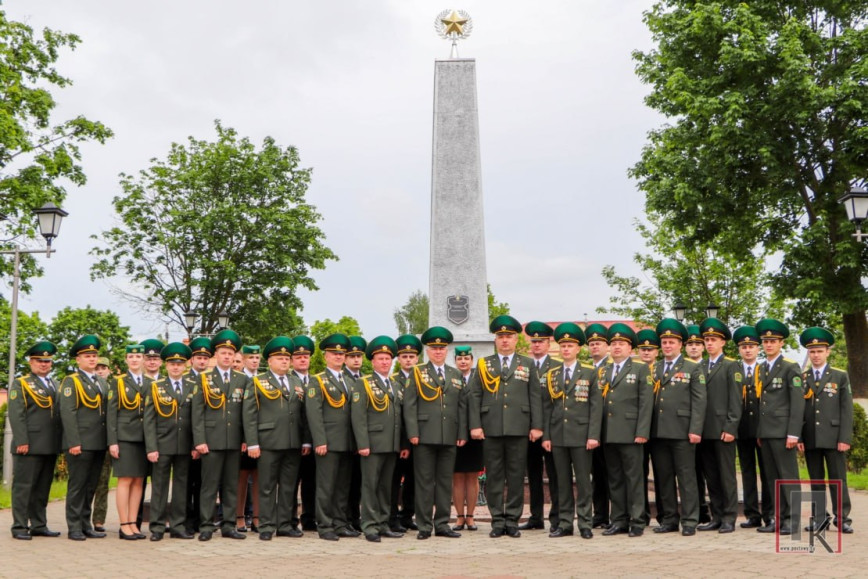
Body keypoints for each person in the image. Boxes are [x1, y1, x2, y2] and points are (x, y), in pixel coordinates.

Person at [468, 315, 543, 538]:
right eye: (501, 337)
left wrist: (536, 426)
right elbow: (474, 395)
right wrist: (475, 425)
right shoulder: (484, 364)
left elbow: (535, 396)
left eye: (509, 336)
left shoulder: (527, 363)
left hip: (519, 428)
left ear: (516, 339)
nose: (505, 340)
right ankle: (497, 521)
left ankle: (512, 520)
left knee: (517, 475)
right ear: (496, 339)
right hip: (490, 428)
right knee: (494, 477)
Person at [242, 336, 310, 541]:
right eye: (279, 358)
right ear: (269, 361)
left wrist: (305, 440)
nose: (284, 362)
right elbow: (249, 414)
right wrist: (252, 442)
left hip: (292, 442)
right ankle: (266, 525)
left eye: (286, 358)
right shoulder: (258, 381)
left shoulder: (296, 381)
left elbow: (304, 415)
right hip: (268, 442)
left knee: (289, 486)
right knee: (267, 485)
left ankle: (284, 524)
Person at [404, 326, 467, 540]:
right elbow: (409, 405)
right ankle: (423, 525)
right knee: (424, 482)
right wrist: (412, 432)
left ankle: (442, 523)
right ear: (428, 351)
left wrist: (462, 433)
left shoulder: (455, 374)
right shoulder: (416, 371)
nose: (438, 352)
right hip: (423, 436)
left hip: (449, 435)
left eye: (442, 348)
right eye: (434, 348)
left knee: (444, 482)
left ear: (447, 350)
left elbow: (461, 406)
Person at [542, 323, 602, 540]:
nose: (566, 349)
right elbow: (547, 407)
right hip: (558, 435)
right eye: (563, 346)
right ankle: (565, 523)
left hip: (582, 435)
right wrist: (547, 436)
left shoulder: (589, 372)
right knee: (562, 481)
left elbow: (596, 407)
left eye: (570, 346)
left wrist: (593, 435)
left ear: (578, 349)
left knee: (584, 482)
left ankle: (585, 522)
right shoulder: (552, 374)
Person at [192, 328, 251, 541]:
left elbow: (247, 412)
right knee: (209, 486)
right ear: (216, 355)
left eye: (230, 354)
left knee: (230, 485)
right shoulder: (204, 378)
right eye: (223, 353)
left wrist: (245, 438)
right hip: (211, 440)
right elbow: (197, 413)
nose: (226, 357)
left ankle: (229, 525)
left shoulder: (242, 379)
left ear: (235, 356)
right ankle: (206, 525)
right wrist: (200, 440)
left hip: (234, 441)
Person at [649, 319, 705, 536]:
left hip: (683, 431)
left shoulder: (693, 367)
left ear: (680, 344)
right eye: (664, 342)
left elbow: (700, 402)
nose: (667, 346)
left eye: (672, 342)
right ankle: (670, 519)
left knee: (686, 477)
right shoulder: (656, 368)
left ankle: (690, 520)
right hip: (659, 431)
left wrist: (695, 429)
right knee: (663, 477)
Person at [798, 327, 853, 534]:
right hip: (811, 437)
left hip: (834, 437)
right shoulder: (802, 378)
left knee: (838, 479)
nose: (816, 355)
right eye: (812, 352)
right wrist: (801, 436)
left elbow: (846, 409)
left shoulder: (839, 376)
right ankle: (820, 518)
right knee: (816, 480)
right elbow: (800, 410)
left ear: (827, 352)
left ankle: (843, 518)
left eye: (820, 351)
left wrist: (845, 437)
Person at [599, 323, 652, 538]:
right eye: (614, 344)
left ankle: (637, 520)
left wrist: (642, 431)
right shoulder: (605, 371)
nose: (617, 347)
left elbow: (646, 403)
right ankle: (618, 519)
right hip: (609, 433)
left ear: (631, 349)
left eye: (622, 344)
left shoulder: (640, 369)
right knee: (615, 478)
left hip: (631, 433)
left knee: (634, 478)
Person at [351, 336, 406, 542]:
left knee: (386, 487)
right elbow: (358, 417)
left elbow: (399, 418)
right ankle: (370, 525)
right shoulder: (363, 383)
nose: (385, 362)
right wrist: (362, 444)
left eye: (387, 359)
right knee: (370, 486)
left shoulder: (395, 385)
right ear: (372, 362)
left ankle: (383, 523)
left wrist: (401, 444)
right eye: (381, 359)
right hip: (372, 445)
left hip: (391, 445)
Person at [306, 333, 358, 541]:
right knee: (326, 485)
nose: (338, 357)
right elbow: (314, 414)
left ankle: (340, 522)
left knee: (342, 485)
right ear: (326, 356)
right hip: (328, 441)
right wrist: (320, 440)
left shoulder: (350, 381)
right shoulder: (317, 380)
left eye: (341, 354)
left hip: (346, 442)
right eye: (334, 353)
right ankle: (325, 525)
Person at [755, 318, 804, 535]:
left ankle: (792, 522)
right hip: (766, 431)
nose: (768, 345)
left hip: (784, 432)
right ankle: (777, 518)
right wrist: (760, 432)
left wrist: (794, 433)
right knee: (772, 477)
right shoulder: (763, 367)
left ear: (781, 343)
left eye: (773, 341)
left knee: (788, 477)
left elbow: (797, 402)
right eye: (765, 341)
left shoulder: (789, 367)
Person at [9, 341, 62, 540]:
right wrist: (22, 440)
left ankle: (39, 524)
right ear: (31, 362)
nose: (44, 364)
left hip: (49, 444)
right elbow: (16, 414)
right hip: (28, 445)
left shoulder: (55, 384)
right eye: (40, 361)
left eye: (47, 361)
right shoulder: (21, 383)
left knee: (42, 488)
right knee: (24, 487)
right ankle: (19, 526)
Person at [143, 342, 197, 541]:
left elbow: (196, 419)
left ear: (185, 366)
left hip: (184, 445)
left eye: (180, 363)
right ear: (166, 365)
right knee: (159, 487)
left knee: (181, 488)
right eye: (172, 363)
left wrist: (194, 445)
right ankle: (157, 528)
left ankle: (177, 525)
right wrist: (151, 447)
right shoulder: (156, 386)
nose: (176, 367)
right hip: (162, 444)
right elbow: (149, 420)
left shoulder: (192, 386)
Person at [59, 334, 109, 541]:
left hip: (98, 442)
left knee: (91, 485)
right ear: (78, 360)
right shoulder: (72, 381)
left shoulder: (101, 382)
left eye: (94, 355)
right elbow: (68, 413)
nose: (91, 359)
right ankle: (74, 526)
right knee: (78, 485)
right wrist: (74, 442)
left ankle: (86, 523)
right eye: (87, 356)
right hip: (80, 442)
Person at [697, 318, 742, 533]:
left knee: (726, 476)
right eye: (706, 340)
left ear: (723, 342)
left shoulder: (731, 365)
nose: (709, 343)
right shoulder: (701, 365)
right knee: (711, 476)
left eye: (713, 339)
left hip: (723, 430)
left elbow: (735, 400)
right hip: (705, 430)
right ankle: (716, 515)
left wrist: (731, 427)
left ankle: (729, 517)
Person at [108, 344, 150, 540]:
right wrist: (112, 441)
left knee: (139, 480)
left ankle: (133, 523)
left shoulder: (150, 383)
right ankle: (124, 524)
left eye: (138, 356)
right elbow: (111, 414)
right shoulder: (118, 382)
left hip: (144, 439)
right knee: (125, 479)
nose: (134, 360)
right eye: (131, 356)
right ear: (126, 360)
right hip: (124, 437)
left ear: (143, 360)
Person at [733, 326, 772, 529]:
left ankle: (769, 514)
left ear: (758, 349)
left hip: (762, 430)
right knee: (747, 472)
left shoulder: (765, 369)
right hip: (741, 429)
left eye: (751, 346)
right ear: (739, 350)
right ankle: (752, 514)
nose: (748, 350)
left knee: (766, 472)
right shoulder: (734, 370)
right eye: (744, 347)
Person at [522, 321, 559, 532]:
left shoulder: (556, 367)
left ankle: (556, 518)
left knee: (555, 476)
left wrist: (547, 430)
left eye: (541, 342)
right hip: (528, 432)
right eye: (534, 342)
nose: (536, 345)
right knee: (533, 476)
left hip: (550, 431)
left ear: (548, 343)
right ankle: (536, 517)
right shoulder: (523, 366)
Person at [389, 334, 422, 532]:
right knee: (394, 481)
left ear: (417, 358)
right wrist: (404, 442)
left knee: (414, 480)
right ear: (398, 359)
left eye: (412, 356)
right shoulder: (392, 381)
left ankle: (408, 515)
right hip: (398, 440)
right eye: (404, 356)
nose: (408, 360)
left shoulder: (424, 379)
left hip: (419, 439)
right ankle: (393, 517)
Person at [184, 336, 212, 534]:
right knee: (186, 483)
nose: (202, 361)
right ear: (191, 360)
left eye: (205, 358)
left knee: (204, 484)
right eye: (198, 357)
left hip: (207, 442)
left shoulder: (212, 380)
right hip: (186, 441)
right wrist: (193, 444)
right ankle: (186, 521)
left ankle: (202, 521)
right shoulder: (185, 380)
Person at [452, 345, 482, 532]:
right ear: (455, 361)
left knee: (472, 476)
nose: (463, 361)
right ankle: (459, 517)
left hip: (476, 434)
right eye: (459, 359)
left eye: (466, 358)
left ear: (472, 360)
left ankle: (470, 517)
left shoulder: (479, 378)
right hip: (455, 435)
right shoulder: (450, 377)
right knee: (456, 477)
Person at [289, 335, 317, 532]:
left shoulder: (316, 381)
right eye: (298, 357)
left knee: (311, 482)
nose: (302, 360)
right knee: (290, 483)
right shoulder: (286, 380)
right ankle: (289, 519)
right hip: (291, 440)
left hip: (313, 442)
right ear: (291, 360)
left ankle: (309, 519)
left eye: (306, 356)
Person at [585, 322, 611, 529]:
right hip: (592, 432)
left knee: (615, 476)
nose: (595, 347)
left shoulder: (613, 368)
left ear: (607, 347)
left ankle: (620, 515)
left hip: (612, 430)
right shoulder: (585, 370)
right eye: (591, 344)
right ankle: (600, 515)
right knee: (598, 476)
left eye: (599, 343)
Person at [684, 324, 710, 524]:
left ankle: (712, 511)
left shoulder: (711, 366)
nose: (693, 347)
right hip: (686, 429)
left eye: (697, 344)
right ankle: (699, 510)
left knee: (708, 471)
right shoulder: (680, 368)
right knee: (691, 472)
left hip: (709, 429)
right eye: (690, 344)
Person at [635, 328, 661, 527]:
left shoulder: (663, 370)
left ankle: (663, 514)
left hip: (660, 429)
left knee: (662, 474)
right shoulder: (633, 371)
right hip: (638, 430)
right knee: (638, 473)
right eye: (643, 349)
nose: (646, 353)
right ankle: (641, 514)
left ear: (657, 352)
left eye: (650, 349)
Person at [237, 344, 261, 533]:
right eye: (251, 358)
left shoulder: (263, 379)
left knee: (259, 477)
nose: (254, 361)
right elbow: (241, 413)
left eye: (257, 358)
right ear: (244, 360)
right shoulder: (239, 379)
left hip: (261, 436)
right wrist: (245, 437)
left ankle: (257, 518)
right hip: (243, 438)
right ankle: (239, 517)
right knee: (242, 478)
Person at [344, 336, 367, 533]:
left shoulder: (365, 379)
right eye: (352, 356)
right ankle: (344, 519)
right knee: (345, 483)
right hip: (344, 439)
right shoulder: (341, 377)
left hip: (361, 441)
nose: (356, 360)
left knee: (357, 482)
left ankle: (355, 518)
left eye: (359, 356)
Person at [91, 356, 113, 534]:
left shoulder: (113, 387)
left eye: (103, 368)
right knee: (87, 481)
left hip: (108, 441)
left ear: (109, 371)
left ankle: (98, 520)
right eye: (97, 368)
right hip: (91, 439)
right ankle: (82, 518)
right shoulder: (87, 386)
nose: (100, 371)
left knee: (103, 483)